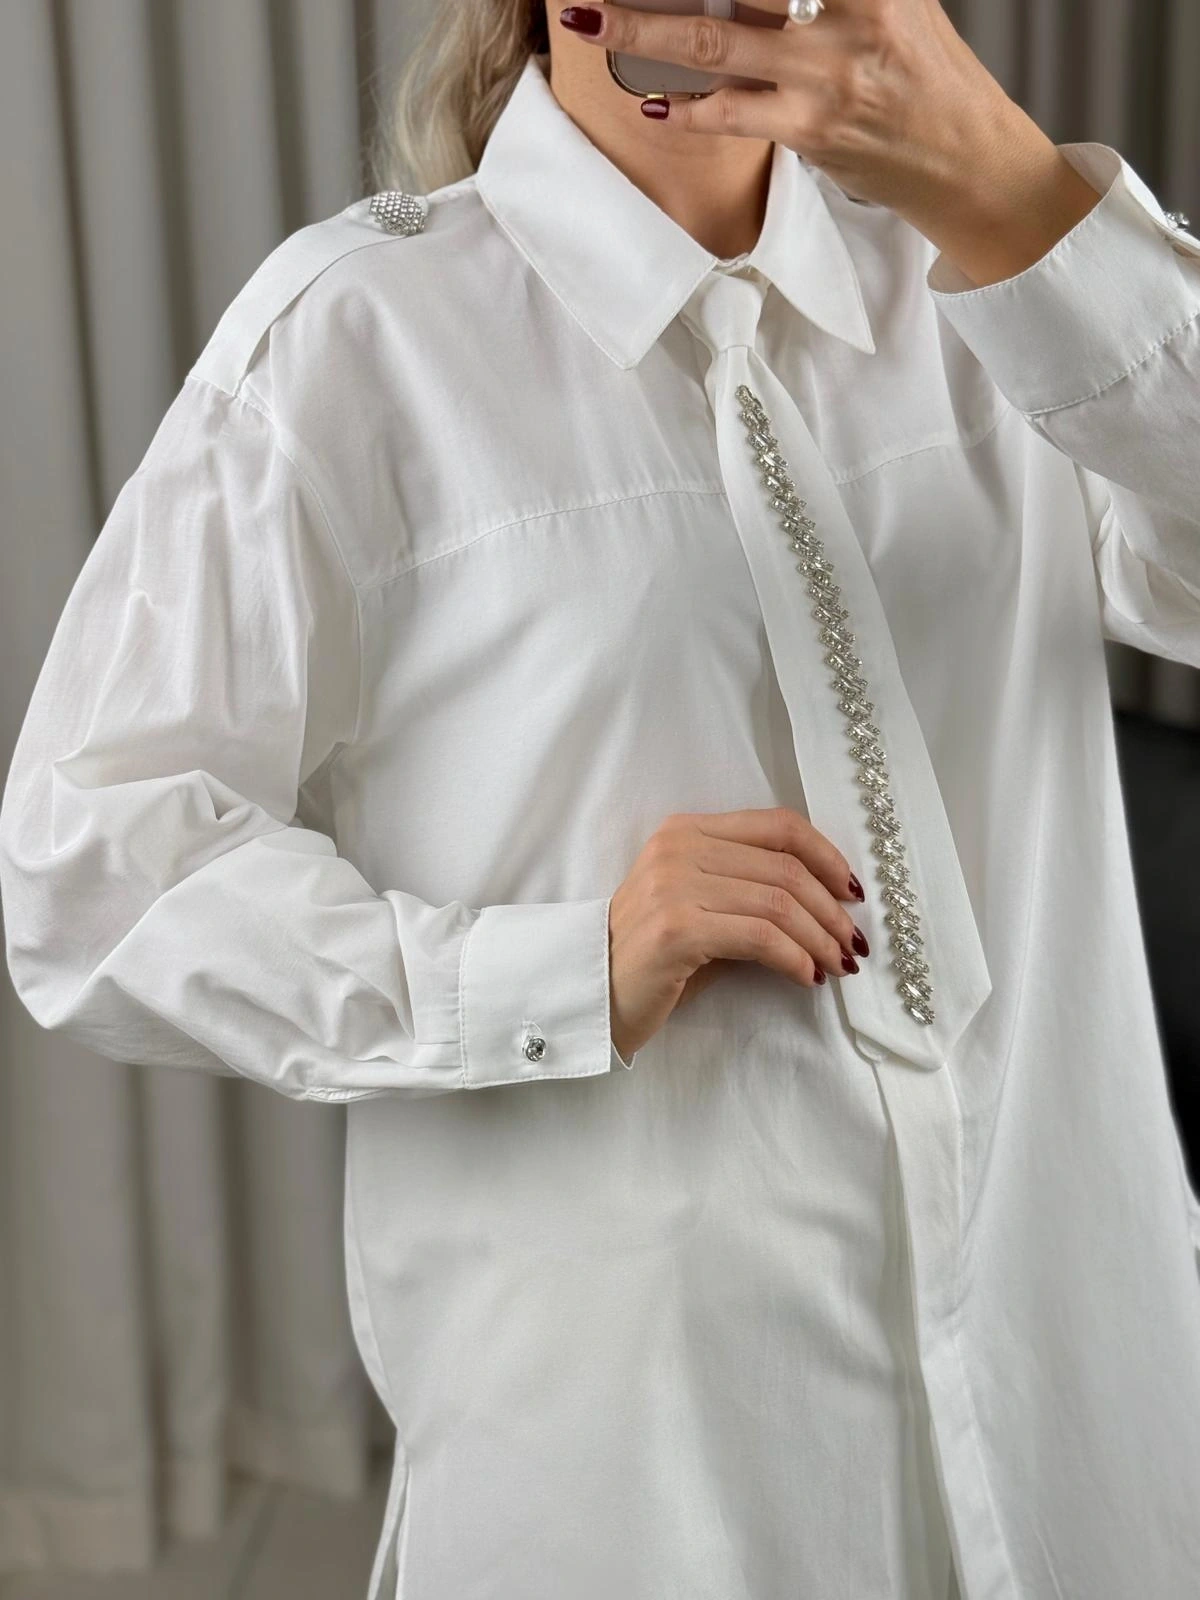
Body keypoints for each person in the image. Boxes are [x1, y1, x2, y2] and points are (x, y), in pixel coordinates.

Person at [3, 1, 1200, 1595]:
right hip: (647, 1458)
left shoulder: (991, 277)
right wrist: (555, 970)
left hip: (1078, 1377)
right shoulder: (359, 340)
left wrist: (1008, 186)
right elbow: (93, 866)